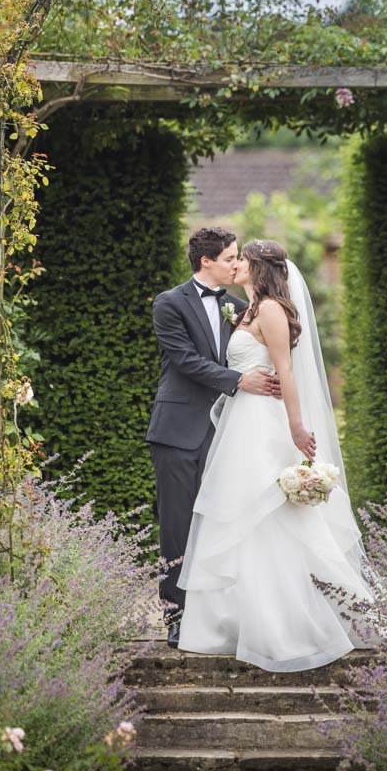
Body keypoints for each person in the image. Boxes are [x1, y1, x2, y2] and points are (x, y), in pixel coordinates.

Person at [177, 239, 387, 673]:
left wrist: (297, 427)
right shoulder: (247, 310)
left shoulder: (273, 310)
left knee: (273, 517)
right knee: (240, 518)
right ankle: (236, 622)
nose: (236, 264)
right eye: (233, 258)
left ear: (261, 268)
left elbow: (287, 370)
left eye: (243, 260)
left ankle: (285, 627)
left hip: (266, 426)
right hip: (243, 424)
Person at [145, 226, 281, 648]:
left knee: (224, 522)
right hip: (177, 429)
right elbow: (184, 361)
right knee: (177, 523)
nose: (237, 265)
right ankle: (176, 615)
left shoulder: (239, 307)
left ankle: (220, 615)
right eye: (229, 259)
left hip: (229, 432)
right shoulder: (168, 304)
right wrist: (240, 380)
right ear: (207, 261)